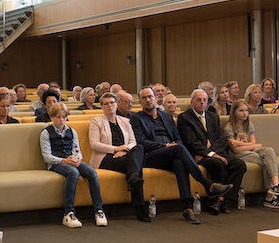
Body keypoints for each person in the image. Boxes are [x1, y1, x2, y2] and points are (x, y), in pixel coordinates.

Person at [130, 87, 231, 224]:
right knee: (178, 149)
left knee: (179, 163)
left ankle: (187, 208)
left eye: (150, 97)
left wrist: (173, 146)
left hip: (172, 153)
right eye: (144, 98)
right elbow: (142, 142)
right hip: (152, 155)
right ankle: (206, 183)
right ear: (140, 102)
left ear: (155, 98)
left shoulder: (166, 116)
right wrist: (165, 146)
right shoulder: (137, 118)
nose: (148, 100)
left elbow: (178, 138)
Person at [177, 89, 246, 213]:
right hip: (199, 154)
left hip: (214, 152)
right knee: (218, 163)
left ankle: (221, 200)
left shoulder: (213, 116)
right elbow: (191, 141)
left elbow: (221, 138)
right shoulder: (185, 118)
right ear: (192, 102)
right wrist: (211, 155)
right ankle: (212, 200)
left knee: (240, 165)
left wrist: (214, 153)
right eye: (199, 100)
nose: (202, 103)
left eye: (205, 100)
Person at [40, 102, 106, 228]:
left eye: (64, 117)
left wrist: (78, 159)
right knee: (73, 173)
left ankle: (99, 210)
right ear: (52, 117)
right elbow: (47, 157)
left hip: (72, 161)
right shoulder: (46, 133)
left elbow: (77, 150)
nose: (61, 120)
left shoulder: (72, 131)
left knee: (91, 171)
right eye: (58, 117)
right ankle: (69, 213)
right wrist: (64, 160)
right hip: (56, 163)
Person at [88, 93, 147, 221]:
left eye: (112, 103)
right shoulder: (96, 121)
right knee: (135, 165)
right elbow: (94, 144)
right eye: (106, 104)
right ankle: (140, 206)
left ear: (116, 104)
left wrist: (125, 151)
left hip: (124, 155)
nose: (110, 105)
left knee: (139, 149)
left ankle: (134, 178)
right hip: (104, 157)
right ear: (102, 106)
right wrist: (116, 149)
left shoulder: (125, 121)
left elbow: (133, 142)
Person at [225, 100, 279, 208]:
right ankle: (270, 197)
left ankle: (275, 185)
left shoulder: (249, 125)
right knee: (266, 162)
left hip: (250, 150)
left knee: (269, 151)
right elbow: (235, 150)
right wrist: (252, 145)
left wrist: (238, 143)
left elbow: (254, 144)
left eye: (246, 111)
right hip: (238, 154)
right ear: (234, 113)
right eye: (241, 111)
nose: (245, 113)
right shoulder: (229, 128)